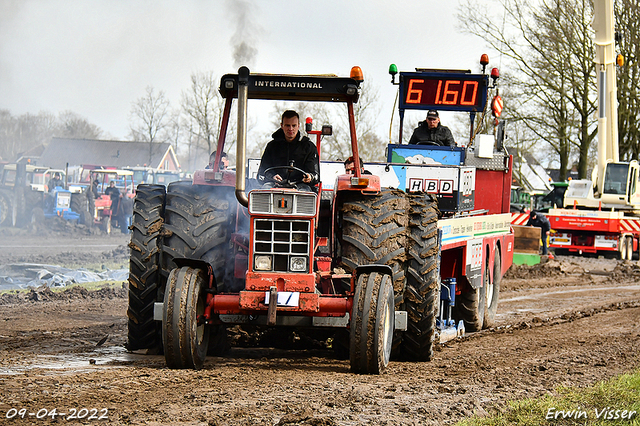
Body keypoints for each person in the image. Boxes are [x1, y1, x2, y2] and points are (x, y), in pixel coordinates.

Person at [257, 110, 320, 192]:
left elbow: (315, 175)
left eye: (294, 125)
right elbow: (262, 172)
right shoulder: (272, 146)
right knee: (265, 190)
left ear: (298, 126)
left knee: (306, 193)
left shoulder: (308, 147)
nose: (291, 129)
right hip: (275, 184)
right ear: (282, 126)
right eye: (287, 125)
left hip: (300, 185)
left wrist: (309, 177)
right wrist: (272, 177)